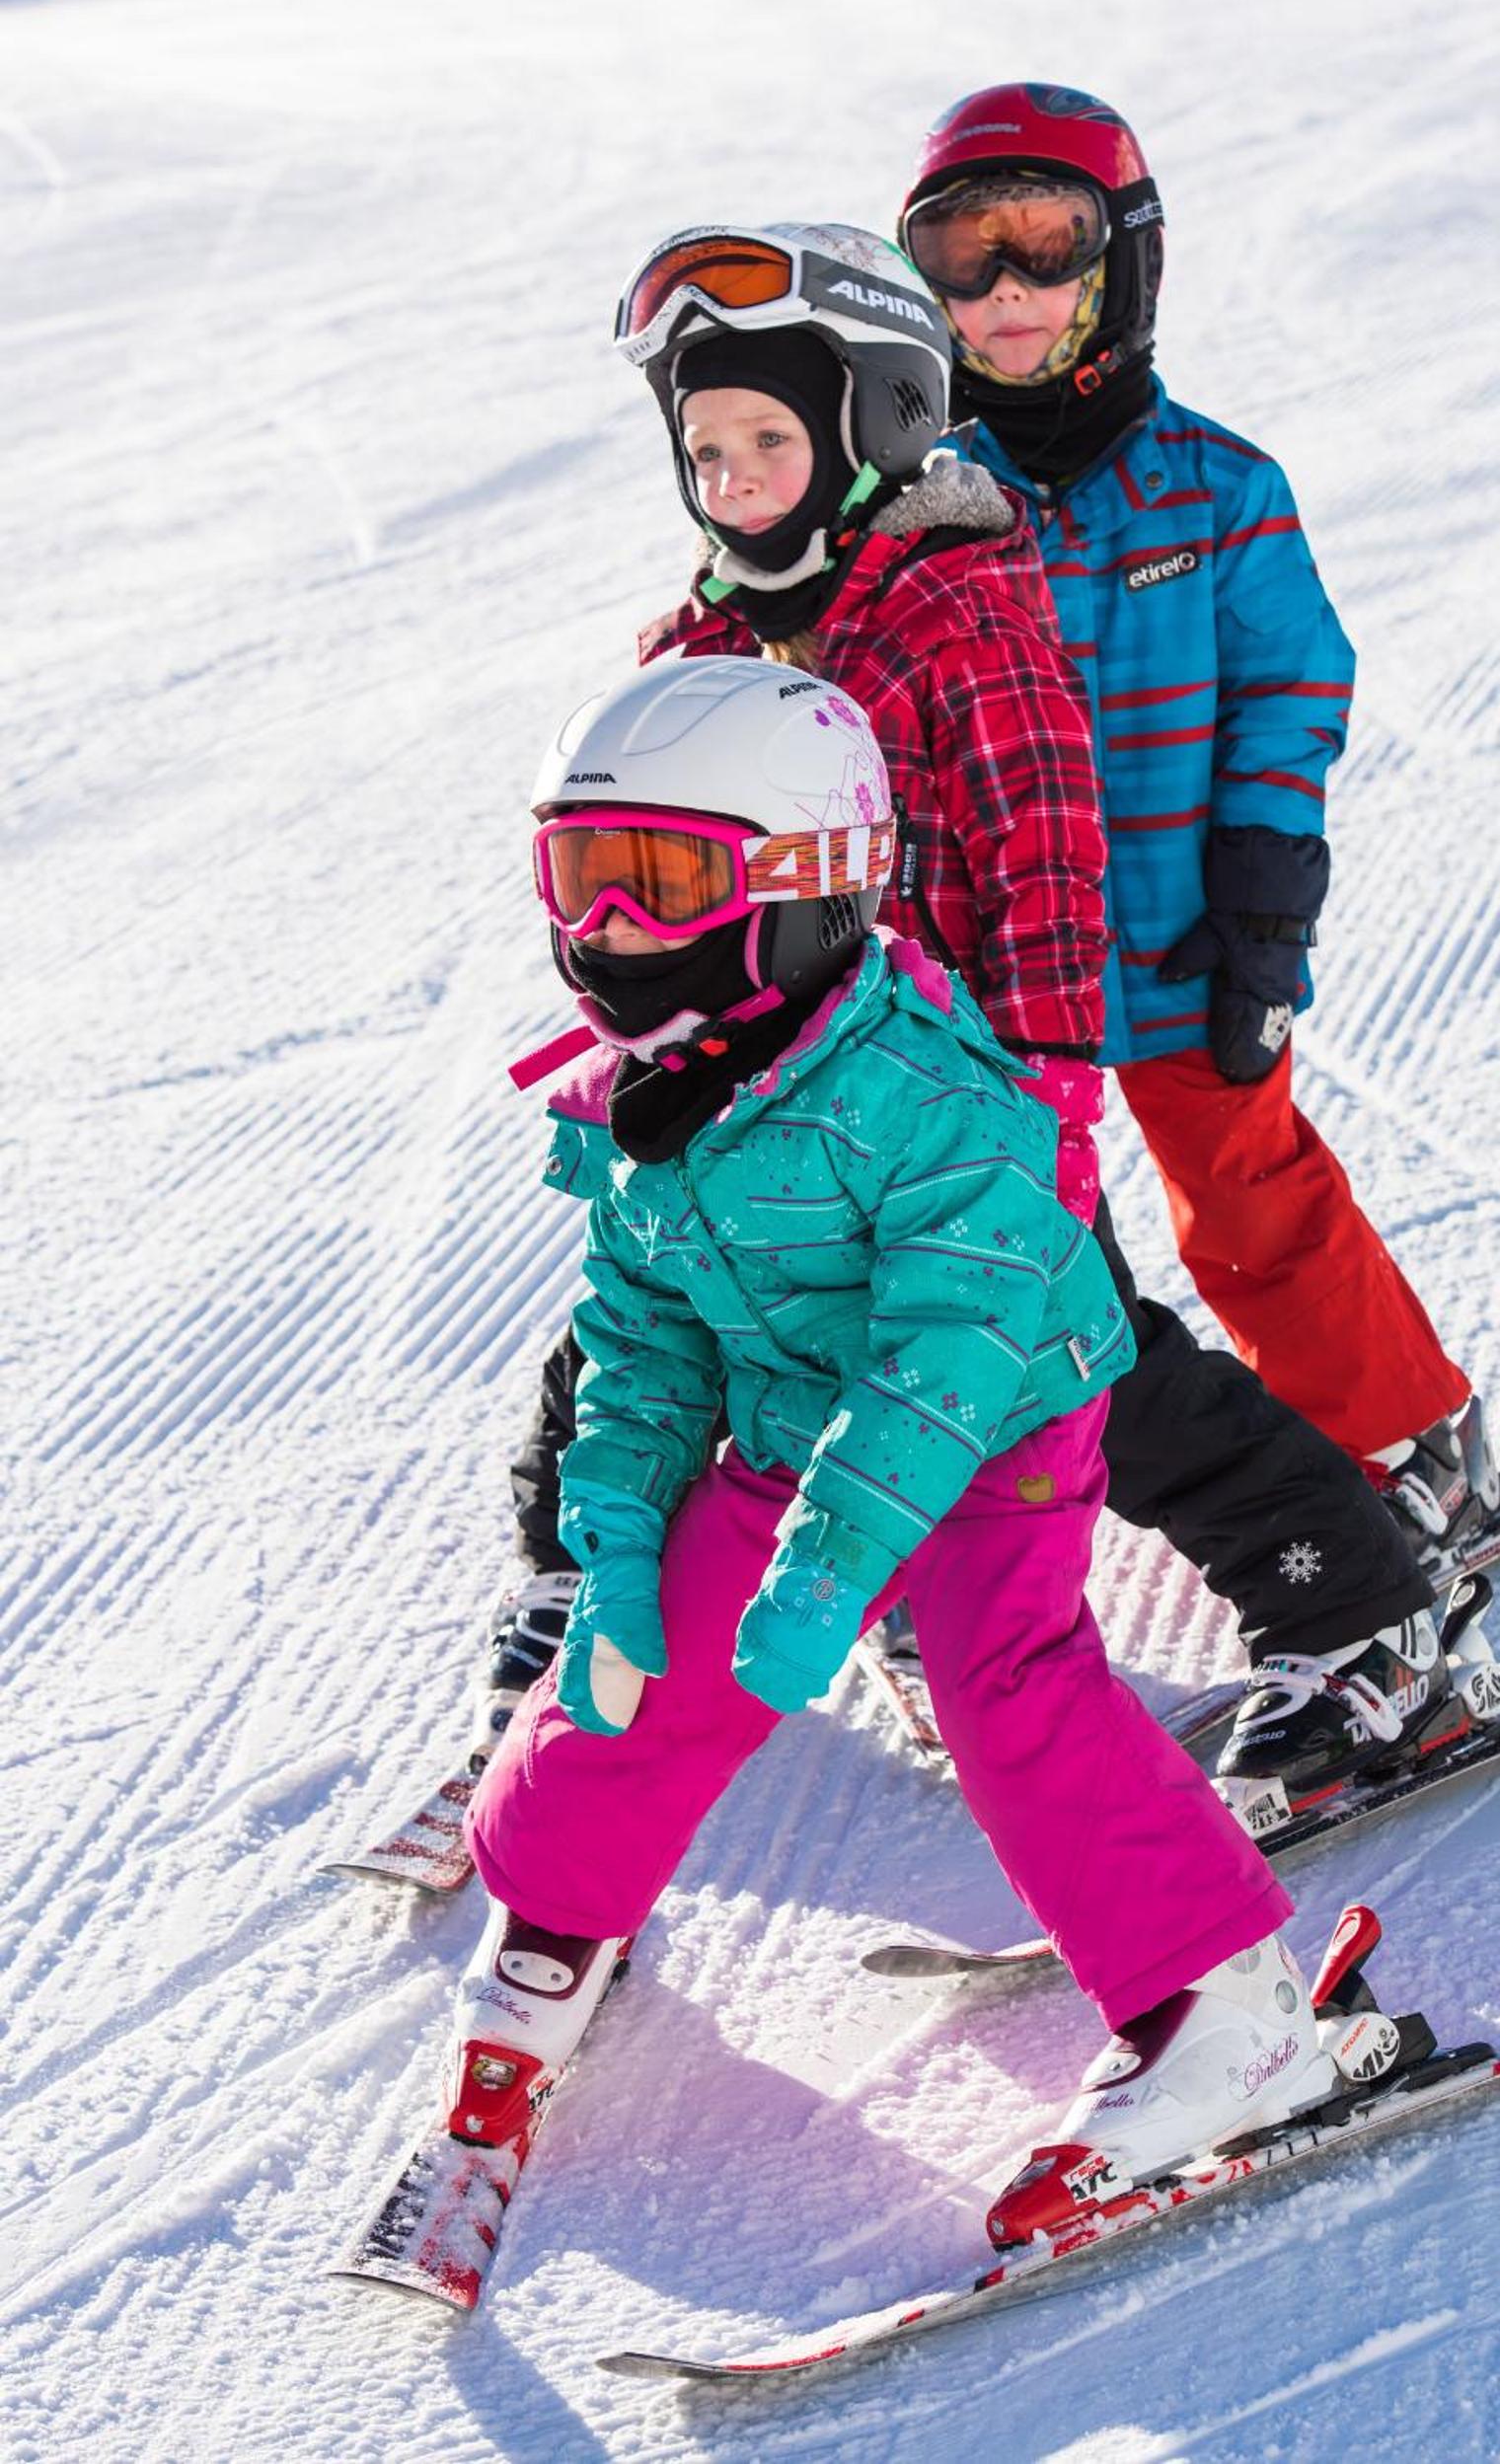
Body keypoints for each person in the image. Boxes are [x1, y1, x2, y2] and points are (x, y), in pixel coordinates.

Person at [486, 221, 1472, 1829]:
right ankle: (577, 1586)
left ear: (876, 423)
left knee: (1077, 1366)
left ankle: (1363, 1611)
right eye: (705, 448)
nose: (732, 478)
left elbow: (1044, 854)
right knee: (656, 1326)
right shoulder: (700, 643)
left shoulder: (953, 613)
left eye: (767, 439)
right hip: (761, 1090)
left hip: (951, 1098)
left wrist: (1055, 1090)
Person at [454, 652, 1341, 2242]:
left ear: (811, 882)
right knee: (648, 1663)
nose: (609, 930)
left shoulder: (934, 1101)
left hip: (998, 1417)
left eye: (664, 881)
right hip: (796, 1417)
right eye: (581, 877)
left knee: (1008, 1684)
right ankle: (553, 1918)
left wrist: (828, 1572)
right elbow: (642, 1343)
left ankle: (1234, 2015)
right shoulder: (641, 1100)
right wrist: (617, 1549)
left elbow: (947, 1359)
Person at [893, 85, 1500, 1608]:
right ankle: (979, 1540)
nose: (1006, 291)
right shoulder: (921, 510)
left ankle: (1413, 1448)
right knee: (1020, 1253)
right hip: (1002, 966)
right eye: (965, 257)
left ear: (1126, 260)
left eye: (1046, 245)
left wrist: (1263, 908)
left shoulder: (1218, 488)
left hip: (1183, 935)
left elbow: (1294, 692)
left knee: (1250, 1201)